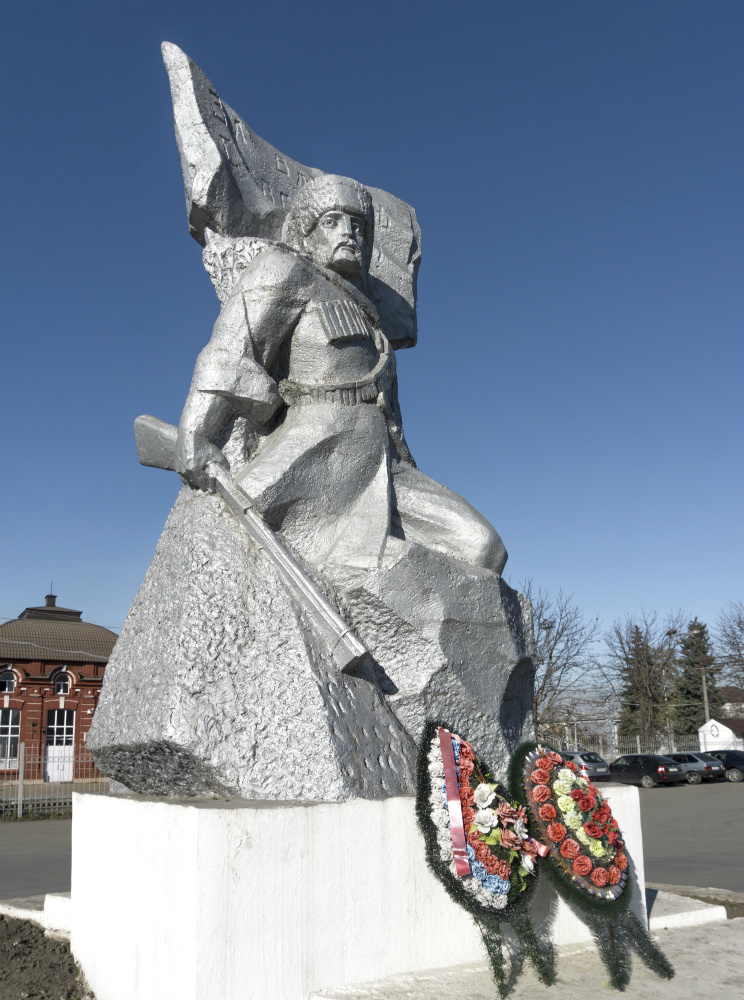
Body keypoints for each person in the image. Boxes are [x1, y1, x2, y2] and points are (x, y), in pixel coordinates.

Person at [175, 174, 506, 576]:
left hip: (380, 462)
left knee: (483, 549)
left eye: (358, 226)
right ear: (307, 231)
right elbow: (230, 352)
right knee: (232, 545)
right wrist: (195, 434)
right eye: (332, 221)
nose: (349, 233)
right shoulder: (285, 269)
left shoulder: (374, 323)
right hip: (313, 451)